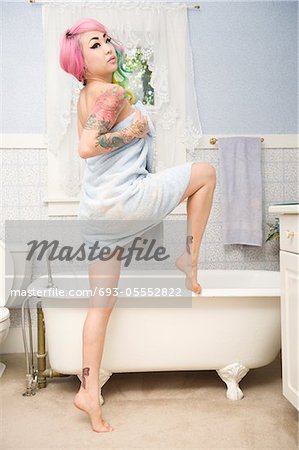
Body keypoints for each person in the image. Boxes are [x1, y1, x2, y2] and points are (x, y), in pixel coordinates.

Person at [59, 17, 216, 433]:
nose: (107, 47)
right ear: (80, 60)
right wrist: (135, 130)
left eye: (107, 39)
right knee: (205, 173)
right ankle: (190, 258)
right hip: (125, 202)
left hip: (97, 214)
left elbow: (90, 143)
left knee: (99, 308)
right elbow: (87, 147)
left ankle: (89, 393)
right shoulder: (110, 93)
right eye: (94, 44)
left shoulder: (86, 96)